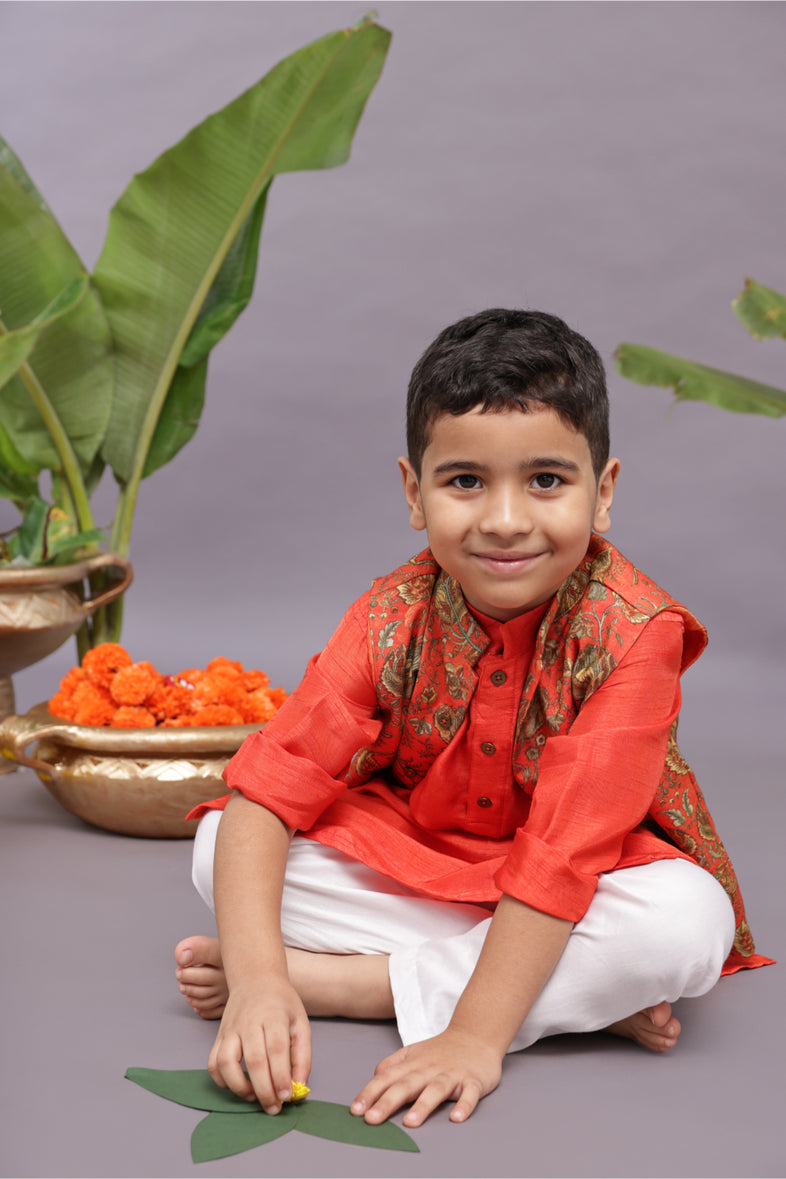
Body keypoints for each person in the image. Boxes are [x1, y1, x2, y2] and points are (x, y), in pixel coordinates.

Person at [174, 309, 770, 1130]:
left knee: (686, 925)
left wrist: (476, 1038)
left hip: (586, 881)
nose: (504, 520)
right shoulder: (391, 612)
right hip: (418, 864)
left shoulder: (635, 631)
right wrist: (262, 989)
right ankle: (573, 994)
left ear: (605, 494)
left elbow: (564, 855)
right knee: (218, 848)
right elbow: (273, 789)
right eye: (465, 482)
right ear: (414, 494)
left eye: (547, 481)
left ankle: (359, 983)